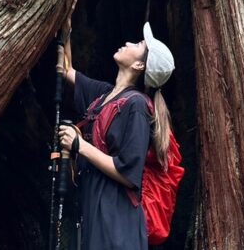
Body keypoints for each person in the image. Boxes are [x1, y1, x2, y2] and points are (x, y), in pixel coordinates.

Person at [57, 21, 175, 250]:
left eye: (139, 43)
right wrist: (65, 24)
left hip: (118, 220)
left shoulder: (137, 107)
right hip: (96, 211)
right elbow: (65, 69)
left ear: (140, 64)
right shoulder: (104, 96)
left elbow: (129, 172)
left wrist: (79, 145)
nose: (129, 42)